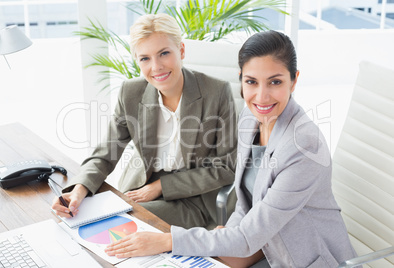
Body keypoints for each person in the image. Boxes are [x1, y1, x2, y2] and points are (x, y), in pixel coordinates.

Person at [104, 30, 358, 268]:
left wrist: (169, 239)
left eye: (275, 82)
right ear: (241, 81)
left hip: (303, 257)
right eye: (251, 82)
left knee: (171, 248)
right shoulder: (249, 118)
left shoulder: (303, 146)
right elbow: (245, 204)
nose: (261, 96)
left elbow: (249, 236)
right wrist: (230, 231)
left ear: (294, 81)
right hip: (263, 241)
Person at [51, 13, 237, 229]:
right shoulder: (131, 93)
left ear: (182, 50)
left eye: (164, 53)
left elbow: (225, 167)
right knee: (85, 216)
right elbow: (105, 153)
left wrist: (162, 186)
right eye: (145, 58)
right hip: (140, 188)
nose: (156, 67)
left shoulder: (217, 92)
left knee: (118, 224)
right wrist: (79, 189)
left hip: (194, 199)